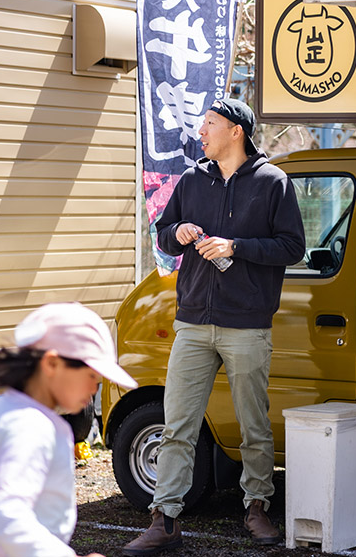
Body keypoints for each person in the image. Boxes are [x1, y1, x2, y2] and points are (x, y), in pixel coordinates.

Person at [123, 99, 305, 555]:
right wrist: (179, 231)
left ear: (236, 131)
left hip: (246, 324)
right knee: (177, 425)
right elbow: (163, 234)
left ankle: (257, 507)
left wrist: (236, 246)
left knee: (253, 425)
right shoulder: (191, 179)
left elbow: (292, 247)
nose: (201, 131)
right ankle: (164, 519)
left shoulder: (273, 183)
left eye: (210, 124)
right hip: (193, 323)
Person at [0, 302, 138, 557]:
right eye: (91, 376)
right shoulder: (28, 426)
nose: (95, 388)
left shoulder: (10, 410)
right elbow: (8, 514)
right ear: (51, 364)